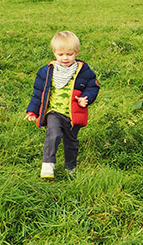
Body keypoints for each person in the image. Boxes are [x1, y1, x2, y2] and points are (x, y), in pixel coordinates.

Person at [25, 31, 100, 179]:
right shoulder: (46, 72)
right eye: (60, 54)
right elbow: (38, 93)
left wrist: (86, 98)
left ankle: (70, 168)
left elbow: (92, 87)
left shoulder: (83, 71)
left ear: (76, 52)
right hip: (54, 112)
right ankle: (47, 165)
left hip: (73, 115)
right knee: (53, 133)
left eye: (69, 54)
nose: (65, 58)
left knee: (71, 143)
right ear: (54, 52)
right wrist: (32, 111)